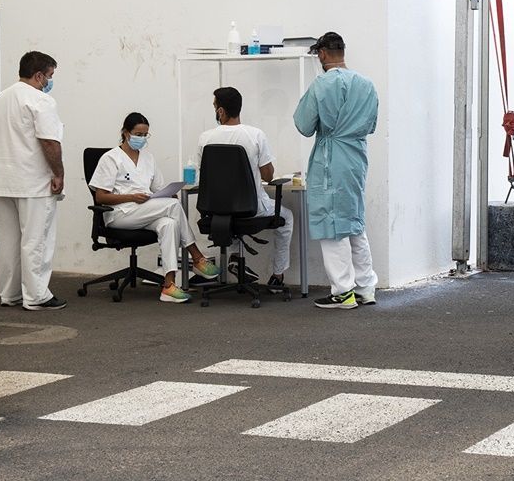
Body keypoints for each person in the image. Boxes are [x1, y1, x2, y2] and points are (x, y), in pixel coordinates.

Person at [89, 112, 220, 303]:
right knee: (173, 206)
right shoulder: (110, 158)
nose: (141, 139)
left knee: (169, 224)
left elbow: (158, 188)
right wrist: (131, 197)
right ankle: (197, 257)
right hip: (119, 214)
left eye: (145, 135)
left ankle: (168, 286)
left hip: (144, 211)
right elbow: (101, 197)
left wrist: (168, 193)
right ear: (125, 133)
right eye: (138, 134)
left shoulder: (148, 158)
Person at [294, 32, 379, 310]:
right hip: (355, 158)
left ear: (322, 54)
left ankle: (343, 291)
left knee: (332, 225)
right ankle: (366, 287)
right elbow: (370, 125)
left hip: (330, 158)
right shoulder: (367, 85)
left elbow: (304, 125)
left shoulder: (321, 84)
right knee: (354, 221)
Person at [0, 51, 67, 310]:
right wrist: (58, 173)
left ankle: (10, 293)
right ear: (39, 75)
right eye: (49, 76)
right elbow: (49, 141)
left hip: (1, 179)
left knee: (7, 242)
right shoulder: (41, 100)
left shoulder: (0, 99)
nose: (50, 81)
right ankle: (37, 295)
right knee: (36, 239)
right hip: (32, 181)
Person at [196, 87, 295, 288]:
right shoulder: (255, 135)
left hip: (216, 210)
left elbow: (203, 176)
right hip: (251, 208)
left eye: (215, 107)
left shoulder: (205, 138)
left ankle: (234, 256)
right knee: (287, 218)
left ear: (221, 111)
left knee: (229, 213)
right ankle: (278, 275)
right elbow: (268, 175)